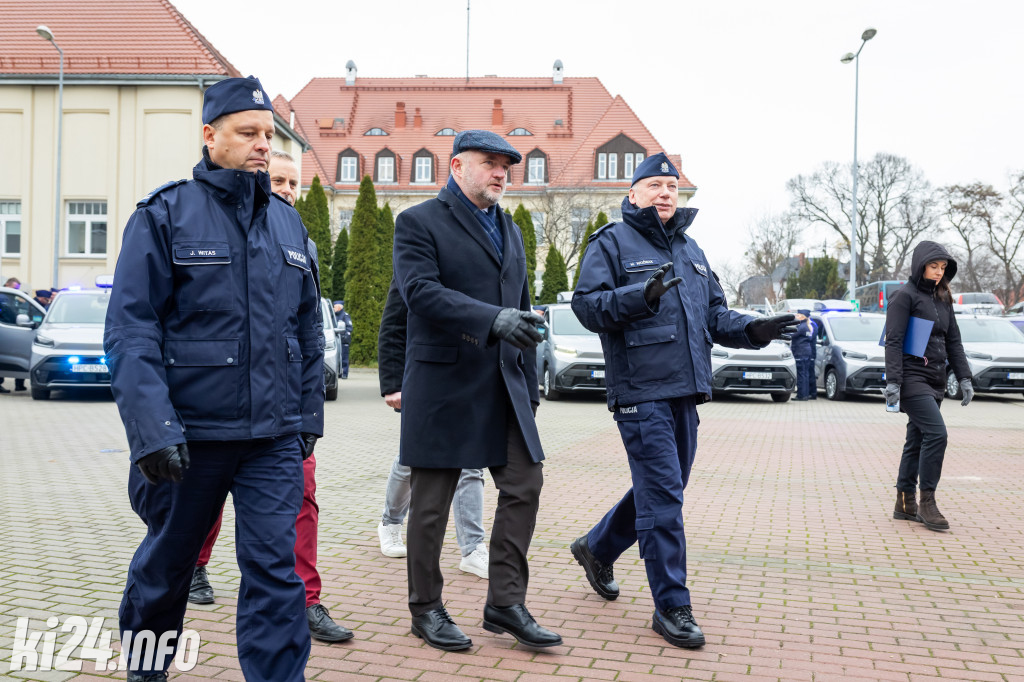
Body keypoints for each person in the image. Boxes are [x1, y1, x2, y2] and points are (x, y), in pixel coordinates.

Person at [104, 75, 325, 682]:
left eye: (267, 134)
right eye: (247, 133)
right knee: (166, 570)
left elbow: (309, 332)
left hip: (272, 441)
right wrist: (152, 431)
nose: (262, 145)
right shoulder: (165, 215)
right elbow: (131, 331)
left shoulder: (287, 225)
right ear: (210, 136)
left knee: (276, 574)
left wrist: (307, 418)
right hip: (190, 439)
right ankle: (146, 671)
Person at [569, 153, 797, 649]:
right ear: (633, 194)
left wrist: (756, 329)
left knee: (662, 492)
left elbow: (715, 315)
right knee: (664, 498)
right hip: (640, 393)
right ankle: (671, 605)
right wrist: (639, 298)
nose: (665, 193)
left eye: (671, 186)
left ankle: (597, 548)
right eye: (654, 185)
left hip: (686, 394)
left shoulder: (692, 250)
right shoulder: (611, 243)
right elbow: (586, 306)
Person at [392, 129, 560, 651]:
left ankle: (505, 602)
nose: (500, 173)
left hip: (505, 387)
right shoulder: (418, 222)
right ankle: (426, 609)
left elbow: (525, 309)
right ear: (457, 164)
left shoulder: (510, 230)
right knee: (431, 507)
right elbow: (420, 293)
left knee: (525, 484)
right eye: (489, 163)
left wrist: (529, 385)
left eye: (506, 166)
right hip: (443, 385)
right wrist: (494, 320)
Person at [186, 149, 353, 644]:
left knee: (303, 502)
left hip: (284, 414)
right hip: (220, 410)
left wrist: (309, 414)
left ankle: (307, 600)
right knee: (207, 502)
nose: (285, 189)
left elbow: (306, 332)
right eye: (277, 179)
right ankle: (192, 567)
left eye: (293, 183)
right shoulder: (204, 223)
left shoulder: (299, 239)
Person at [377, 276, 490, 577]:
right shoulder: (419, 255)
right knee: (412, 459)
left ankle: (472, 548)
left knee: (471, 462)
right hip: (426, 376)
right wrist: (391, 382)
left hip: (471, 375)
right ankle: (390, 523)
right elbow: (394, 322)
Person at [885, 241, 973, 531]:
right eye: (933, 266)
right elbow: (894, 341)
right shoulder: (904, 297)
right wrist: (894, 382)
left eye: (943, 268)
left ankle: (904, 502)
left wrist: (964, 377)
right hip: (911, 378)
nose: (938, 272)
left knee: (918, 438)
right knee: (937, 433)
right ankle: (927, 503)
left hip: (935, 379)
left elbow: (954, 341)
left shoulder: (943, 298)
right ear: (920, 264)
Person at [791, 309, 817, 400]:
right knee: (805, 374)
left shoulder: (801, 327)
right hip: (806, 352)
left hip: (800, 352)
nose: (796, 317)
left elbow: (791, 335)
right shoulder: (808, 326)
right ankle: (805, 394)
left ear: (803, 317)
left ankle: (801, 395)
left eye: (798, 315)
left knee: (801, 374)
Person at [333, 300, 352, 379]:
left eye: (335, 307)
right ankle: (338, 373)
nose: (334, 308)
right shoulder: (333, 316)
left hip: (343, 340)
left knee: (344, 357)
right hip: (335, 340)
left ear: (340, 307)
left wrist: (344, 336)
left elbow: (349, 328)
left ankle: (344, 373)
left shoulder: (345, 316)